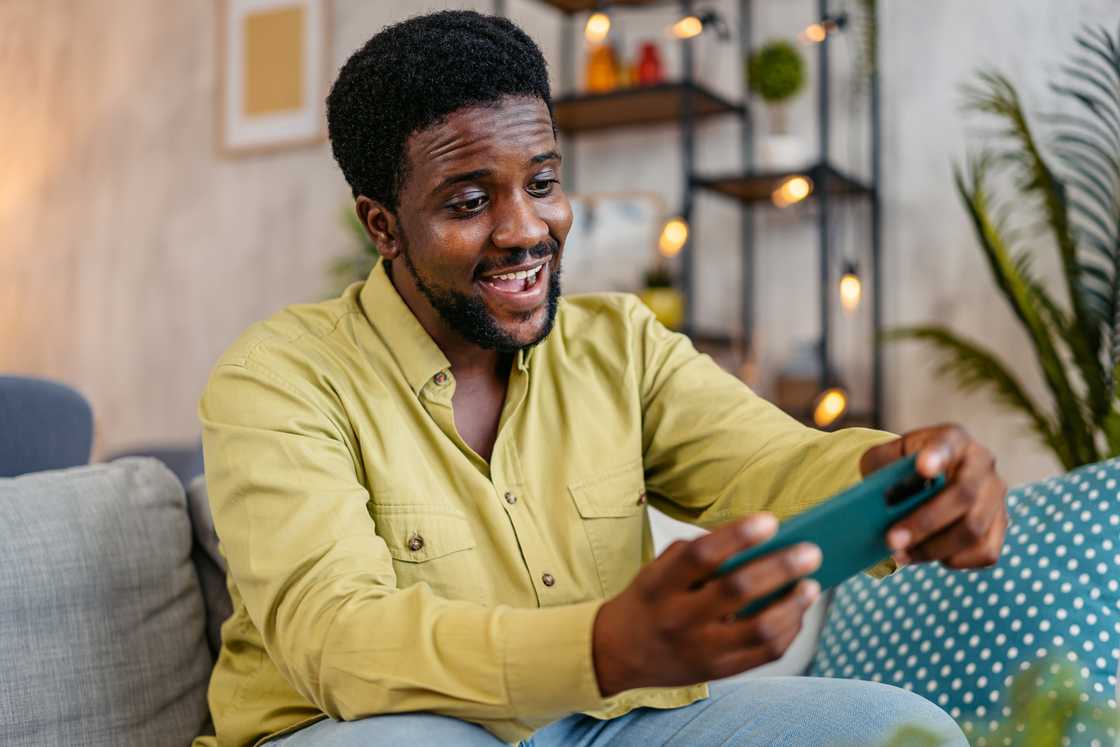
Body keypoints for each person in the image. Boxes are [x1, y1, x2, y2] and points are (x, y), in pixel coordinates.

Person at [194, 10, 1006, 747]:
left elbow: (776, 463)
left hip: (608, 726)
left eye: (542, 182)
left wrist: (902, 478)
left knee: (902, 730)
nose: (526, 229)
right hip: (379, 729)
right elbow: (337, 638)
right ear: (384, 227)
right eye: (470, 200)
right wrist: (606, 644)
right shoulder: (278, 379)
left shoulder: (620, 345)